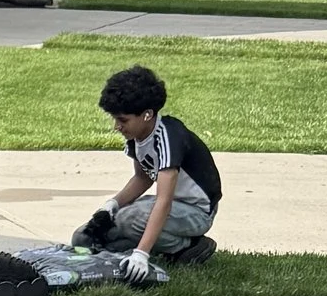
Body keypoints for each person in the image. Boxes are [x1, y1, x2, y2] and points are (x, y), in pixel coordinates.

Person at [77, 64, 222, 279]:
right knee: (84, 237)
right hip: (170, 206)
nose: (116, 126)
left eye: (122, 120)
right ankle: (138, 246)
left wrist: (141, 254)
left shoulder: (167, 137)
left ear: (147, 115)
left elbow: (164, 200)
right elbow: (142, 177)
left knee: (129, 219)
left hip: (196, 212)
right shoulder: (136, 138)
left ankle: (187, 246)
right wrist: (112, 205)